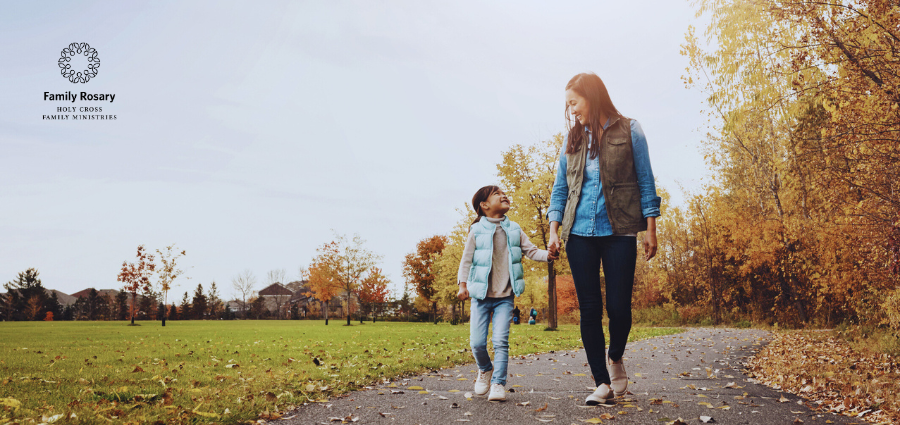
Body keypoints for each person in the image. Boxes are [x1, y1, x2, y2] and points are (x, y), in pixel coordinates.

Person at [547, 72, 661, 405]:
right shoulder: (571, 139)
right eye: (567, 104)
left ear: (591, 96)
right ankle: (601, 382)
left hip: (620, 230)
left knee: (619, 308)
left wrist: (650, 229)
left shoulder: (630, 130)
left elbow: (646, 182)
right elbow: (560, 190)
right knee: (590, 310)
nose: (571, 110)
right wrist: (555, 231)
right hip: (579, 233)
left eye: (574, 102)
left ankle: (616, 357)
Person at [457, 185, 558, 402]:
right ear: (484, 205)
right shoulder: (476, 231)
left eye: (504, 193)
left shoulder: (514, 229)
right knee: (477, 343)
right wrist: (462, 285)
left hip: (505, 297)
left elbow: (531, 251)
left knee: (500, 341)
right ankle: (485, 369)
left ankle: (498, 383)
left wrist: (548, 255)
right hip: (481, 296)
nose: (504, 195)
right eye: (497, 194)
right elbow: (466, 260)